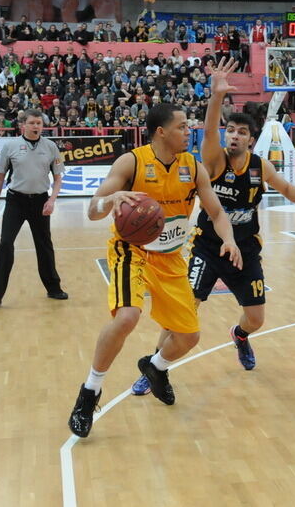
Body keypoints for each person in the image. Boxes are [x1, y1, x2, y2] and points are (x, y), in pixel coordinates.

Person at [130, 59, 295, 395]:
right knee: (182, 314)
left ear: (251, 140)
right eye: (232, 130)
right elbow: (209, 130)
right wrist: (216, 97)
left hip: (245, 250)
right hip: (208, 248)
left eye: (241, 132)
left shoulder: (260, 166)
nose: (234, 136)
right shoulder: (214, 159)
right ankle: (154, 368)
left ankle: (239, 337)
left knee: (256, 319)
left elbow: (285, 189)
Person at [68, 103, 242, 438]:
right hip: (131, 251)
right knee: (127, 317)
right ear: (161, 132)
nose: (187, 131)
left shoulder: (193, 166)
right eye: (181, 126)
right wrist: (111, 199)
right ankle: (89, 392)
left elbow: (217, 213)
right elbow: (92, 210)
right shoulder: (131, 161)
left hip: (171, 257)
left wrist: (229, 240)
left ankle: (156, 367)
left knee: (190, 336)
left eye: (188, 126)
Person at [0, 109, 67, 309]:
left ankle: (53, 288)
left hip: (40, 201)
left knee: (44, 245)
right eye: (32, 123)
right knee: (5, 244)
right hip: (16, 201)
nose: (36, 126)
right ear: (23, 125)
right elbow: (0, 176)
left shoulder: (52, 147)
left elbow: (57, 178)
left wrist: (52, 200)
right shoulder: (10, 146)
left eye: (39, 123)